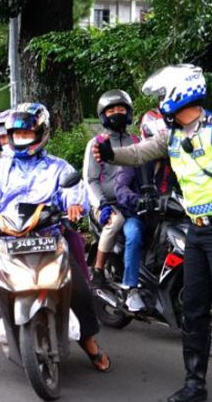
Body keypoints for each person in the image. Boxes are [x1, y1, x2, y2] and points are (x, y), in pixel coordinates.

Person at [93, 64, 212, 402]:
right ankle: (195, 385)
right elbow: (139, 153)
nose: (162, 102)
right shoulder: (173, 134)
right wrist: (111, 154)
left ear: (180, 94)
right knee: (193, 309)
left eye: (163, 95)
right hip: (196, 230)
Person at [0, 102, 110, 378]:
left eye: (26, 134)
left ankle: (90, 343)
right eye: (16, 135)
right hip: (5, 239)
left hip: (48, 237)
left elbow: (72, 190)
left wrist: (73, 205)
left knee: (78, 287)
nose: (20, 140)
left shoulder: (58, 167)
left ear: (41, 133)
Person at [84, 89, 146, 312]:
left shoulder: (137, 141)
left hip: (130, 203)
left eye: (121, 109)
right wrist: (100, 204)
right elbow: (90, 179)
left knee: (136, 233)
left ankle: (132, 288)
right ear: (103, 115)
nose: (116, 113)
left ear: (129, 113)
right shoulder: (97, 143)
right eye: (111, 110)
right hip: (106, 204)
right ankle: (98, 271)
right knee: (115, 222)